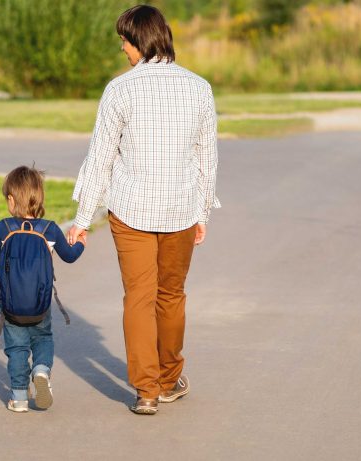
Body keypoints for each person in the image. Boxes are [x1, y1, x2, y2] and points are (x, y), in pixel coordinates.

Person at [67, 4, 219, 415]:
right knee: (171, 296)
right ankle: (169, 379)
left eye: (124, 43)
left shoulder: (119, 90)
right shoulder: (199, 87)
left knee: (138, 297)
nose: (123, 51)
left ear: (139, 41)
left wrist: (82, 221)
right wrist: (202, 212)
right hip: (181, 211)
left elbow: (100, 158)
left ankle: (146, 391)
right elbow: (207, 158)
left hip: (130, 210)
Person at [0, 165, 86, 412]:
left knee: (17, 348)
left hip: (11, 308)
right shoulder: (49, 228)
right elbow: (70, 256)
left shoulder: (4, 228)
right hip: (41, 306)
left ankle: (19, 398)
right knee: (42, 338)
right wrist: (81, 243)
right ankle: (41, 370)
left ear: (11, 200)